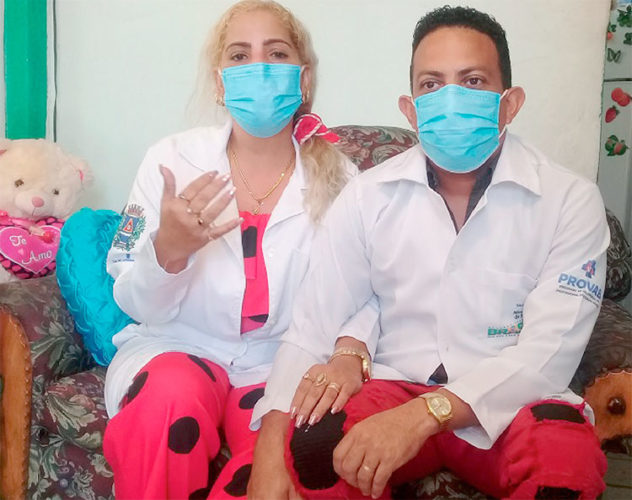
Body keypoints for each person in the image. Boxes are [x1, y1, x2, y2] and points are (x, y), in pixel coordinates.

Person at [250, 5, 610, 499]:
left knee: (566, 469)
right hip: (395, 386)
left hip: (511, 403)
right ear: (410, 108)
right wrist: (271, 451)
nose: (451, 99)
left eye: (473, 81)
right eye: (432, 85)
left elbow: (548, 354)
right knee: (316, 453)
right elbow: (314, 323)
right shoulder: (368, 196)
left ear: (509, 103)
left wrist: (426, 415)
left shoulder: (569, 200)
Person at [101, 1, 377, 498]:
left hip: (282, 364)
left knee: (287, 461)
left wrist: (348, 353)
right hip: (178, 347)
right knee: (169, 398)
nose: (260, 68)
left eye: (277, 53)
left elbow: (365, 291)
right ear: (219, 82)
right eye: (240, 55)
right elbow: (128, 290)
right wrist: (168, 252)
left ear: (304, 78)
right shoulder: (169, 160)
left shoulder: (343, 178)